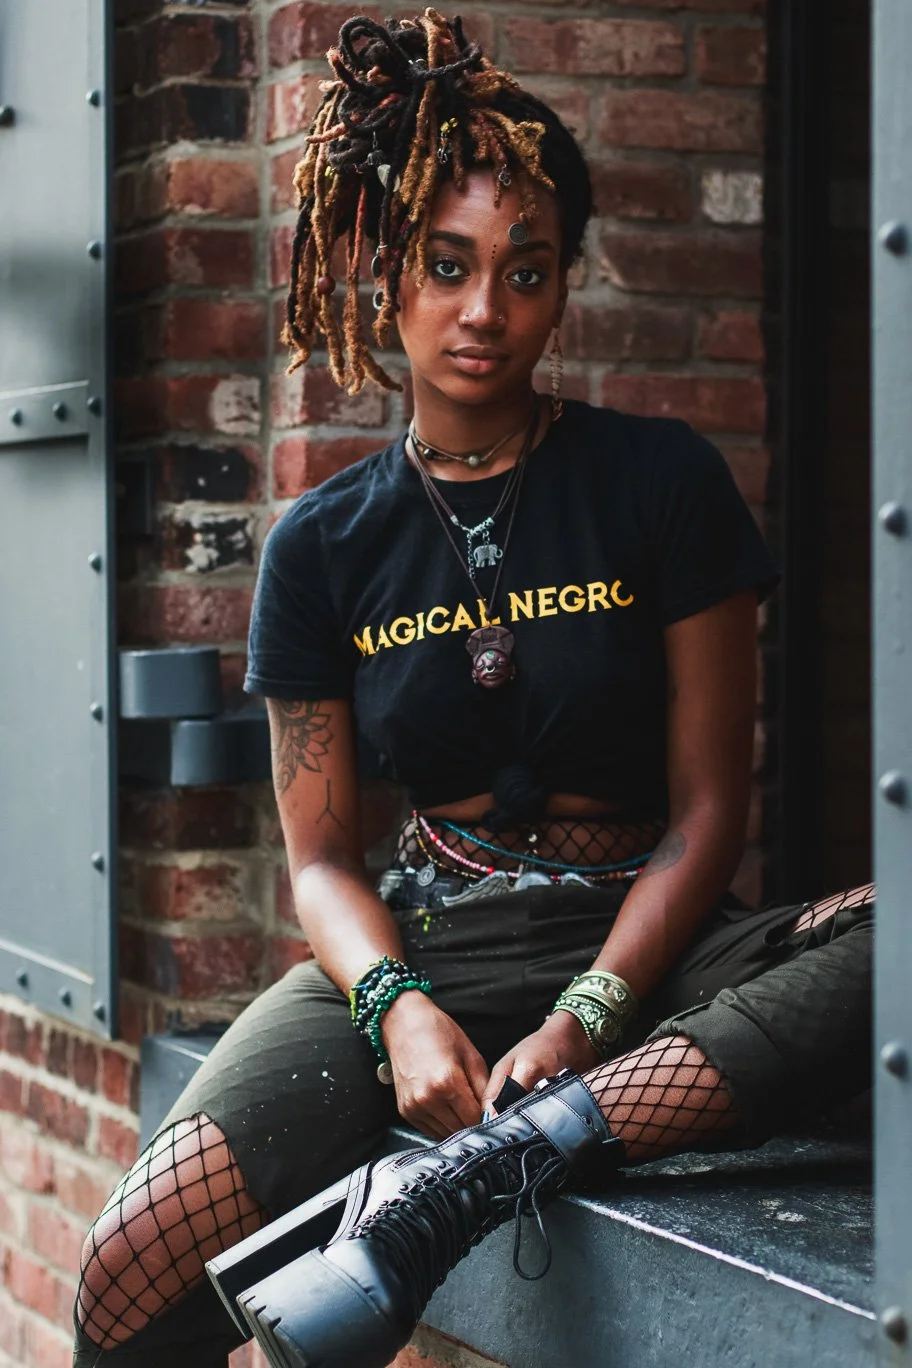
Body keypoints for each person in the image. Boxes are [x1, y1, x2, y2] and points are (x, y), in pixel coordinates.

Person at [73, 11, 874, 1366]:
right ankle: (514, 1122)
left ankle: (495, 1166)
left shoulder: (660, 481)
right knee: (123, 1279)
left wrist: (591, 1017)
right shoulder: (321, 547)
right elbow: (321, 861)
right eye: (448, 267)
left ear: (565, 287)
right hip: (427, 945)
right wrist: (396, 1010)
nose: (485, 310)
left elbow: (709, 811)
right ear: (387, 273)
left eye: (526, 270)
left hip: (650, 945)